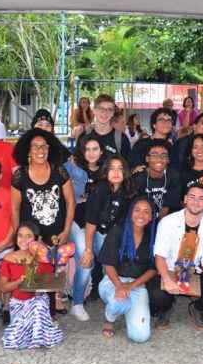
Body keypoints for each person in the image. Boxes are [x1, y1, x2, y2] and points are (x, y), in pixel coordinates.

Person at [151, 183, 203, 330]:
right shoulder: (167, 222)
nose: (196, 202)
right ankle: (166, 308)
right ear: (185, 199)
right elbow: (159, 256)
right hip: (169, 268)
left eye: (201, 198)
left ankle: (197, 308)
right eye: (192, 197)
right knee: (156, 295)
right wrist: (167, 279)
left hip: (194, 272)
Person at [77, 156, 135, 320]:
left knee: (113, 250)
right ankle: (79, 300)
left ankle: (114, 293)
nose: (116, 172)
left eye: (120, 168)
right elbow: (91, 222)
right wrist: (88, 250)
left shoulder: (128, 190)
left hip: (109, 232)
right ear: (106, 172)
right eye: (112, 168)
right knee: (89, 257)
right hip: (86, 227)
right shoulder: (100, 188)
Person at [98, 196, 157, 342]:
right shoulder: (118, 230)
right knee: (120, 302)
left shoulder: (153, 236)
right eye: (137, 210)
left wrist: (130, 286)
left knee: (140, 337)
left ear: (151, 217)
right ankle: (110, 319)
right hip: (113, 281)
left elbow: (153, 269)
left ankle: (126, 309)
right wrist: (120, 286)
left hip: (137, 285)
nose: (141, 215)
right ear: (130, 212)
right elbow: (108, 263)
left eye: (146, 212)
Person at [0, 222, 64, 350]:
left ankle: (39, 336)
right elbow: (3, 288)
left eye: (28, 236)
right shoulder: (8, 259)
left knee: (38, 304)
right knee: (13, 341)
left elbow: (51, 282)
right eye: (20, 236)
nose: (23, 240)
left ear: (36, 239)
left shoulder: (43, 259)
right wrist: (18, 282)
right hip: (18, 303)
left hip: (37, 301)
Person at [11, 128, 75, 246]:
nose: (40, 150)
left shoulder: (59, 171)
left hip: (57, 238)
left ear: (49, 149)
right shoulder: (20, 176)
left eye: (44, 146)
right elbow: (15, 209)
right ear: (28, 151)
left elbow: (70, 201)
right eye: (35, 146)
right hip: (30, 241)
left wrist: (66, 231)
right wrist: (18, 237)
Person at [65, 136, 105, 315]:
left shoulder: (108, 170)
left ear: (101, 151)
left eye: (95, 149)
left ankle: (114, 293)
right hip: (77, 221)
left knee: (107, 254)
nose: (91, 153)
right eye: (87, 149)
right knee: (84, 257)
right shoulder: (72, 168)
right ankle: (77, 302)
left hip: (99, 222)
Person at [133, 139, 181, 220]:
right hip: (143, 220)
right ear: (147, 158)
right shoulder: (138, 178)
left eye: (164, 155)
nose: (159, 159)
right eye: (154, 155)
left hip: (166, 222)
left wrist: (159, 225)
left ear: (168, 159)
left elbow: (168, 207)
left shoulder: (174, 176)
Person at [76, 94, 131, 160]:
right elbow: (78, 164)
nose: (105, 113)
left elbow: (126, 166)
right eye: (101, 108)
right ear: (94, 110)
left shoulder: (121, 139)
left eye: (109, 109)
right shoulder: (83, 137)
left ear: (113, 113)